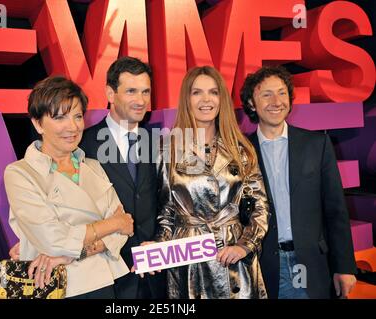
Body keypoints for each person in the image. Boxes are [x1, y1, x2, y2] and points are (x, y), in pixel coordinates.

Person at [4, 76, 134, 299]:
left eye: (77, 116)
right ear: (37, 123)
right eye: (60, 117)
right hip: (55, 287)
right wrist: (112, 223)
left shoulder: (92, 167)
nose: (72, 127)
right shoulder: (20, 173)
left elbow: (123, 232)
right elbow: (53, 240)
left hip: (103, 283)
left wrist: (69, 256)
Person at [240, 65, 357, 299]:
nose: (277, 101)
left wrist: (344, 266)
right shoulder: (241, 152)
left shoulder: (317, 145)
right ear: (252, 104)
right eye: (266, 94)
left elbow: (335, 210)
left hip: (312, 264)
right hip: (262, 266)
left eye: (282, 93)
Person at [154, 66, 269, 299]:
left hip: (234, 258)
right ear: (186, 99)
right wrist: (156, 250)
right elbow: (166, 214)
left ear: (222, 99)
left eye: (213, 92)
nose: (206, 100)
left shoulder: (242, 150)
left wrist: (244, 245)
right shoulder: (168, 150)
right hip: (188, 260)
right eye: (197, 92)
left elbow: (260, 206)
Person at [79, 57, 166, 298]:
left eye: (145, 92)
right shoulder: (84, 145)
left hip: (154, 274)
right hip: (107, 275)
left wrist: (159, 242)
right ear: (110, 92)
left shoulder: (158, 142)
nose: (140, 101)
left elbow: (165, 202)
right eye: (131, 91)